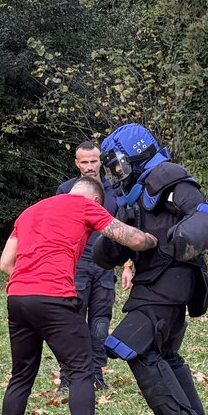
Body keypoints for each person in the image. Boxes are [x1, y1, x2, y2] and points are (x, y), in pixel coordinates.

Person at [0, 176, 157, 415]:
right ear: (96, 201)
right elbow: (132, 239)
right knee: (82, 370)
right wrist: (154, 240)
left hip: (18, 297)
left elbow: (7, 263)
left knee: (21, 375)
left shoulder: (31, 211)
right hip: (55, 298)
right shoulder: (86, 206)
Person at [92, 124, 208, 415]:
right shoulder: (133, 194)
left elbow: (204, 214)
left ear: (134, 154)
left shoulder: (168, 176)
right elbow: (119, 245)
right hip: (153, 282)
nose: (114, 173)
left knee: (132, 346)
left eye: (116, 164)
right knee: (164, 354)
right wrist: (109, 246)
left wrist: (184, 238)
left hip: (172, 279)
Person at [56, 141, 133, 391]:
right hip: (75, 265)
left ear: (101, 161)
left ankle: (97, 374)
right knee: (73, 321)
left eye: (94, 160)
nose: (90, 166)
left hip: (105, 266)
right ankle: (68, 376)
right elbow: (57, 230)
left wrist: (127, 266)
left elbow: (124, 231)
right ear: (77, 163)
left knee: (100, 323)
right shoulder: (66, 190)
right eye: (85, 162)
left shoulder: (115, 191)